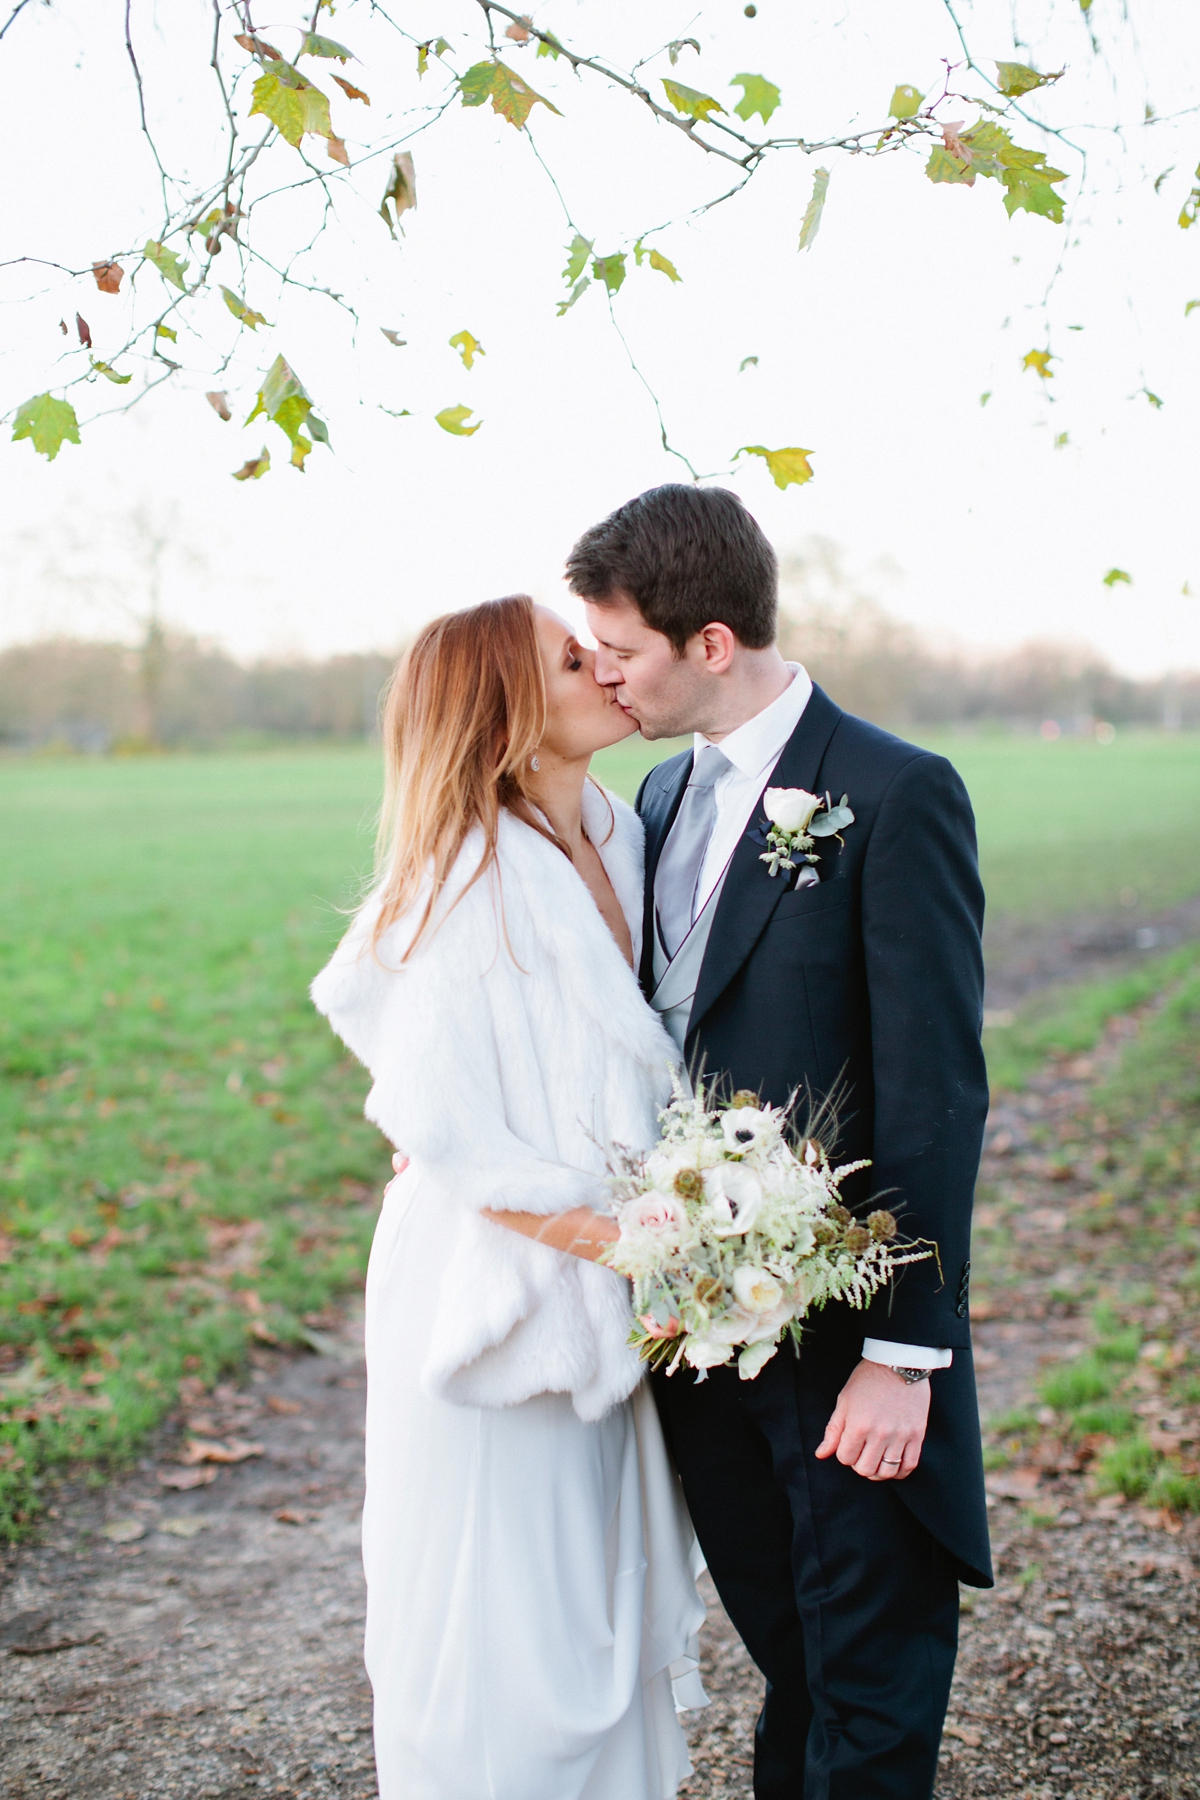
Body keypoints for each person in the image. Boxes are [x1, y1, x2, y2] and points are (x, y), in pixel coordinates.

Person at [566, 484, 993, 1800]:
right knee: (792, 1667)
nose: (604, 677)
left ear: (709, 644)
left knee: (869, 1682)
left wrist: (906, 1355)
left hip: (843, 1330)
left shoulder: (892, 792)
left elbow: (934, 1089)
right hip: (695, 1326)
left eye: (621, 652)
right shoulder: (656, 794)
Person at [310, 595, 705, 1800]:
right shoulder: (465, 880)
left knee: (599, 1602)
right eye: (569, 657)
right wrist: (648, 1247)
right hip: (494, 1281)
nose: (601, 666)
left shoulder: (622, 836)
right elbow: (455, 1138)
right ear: (508, 710)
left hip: (613, 1268)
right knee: (507, 1618)